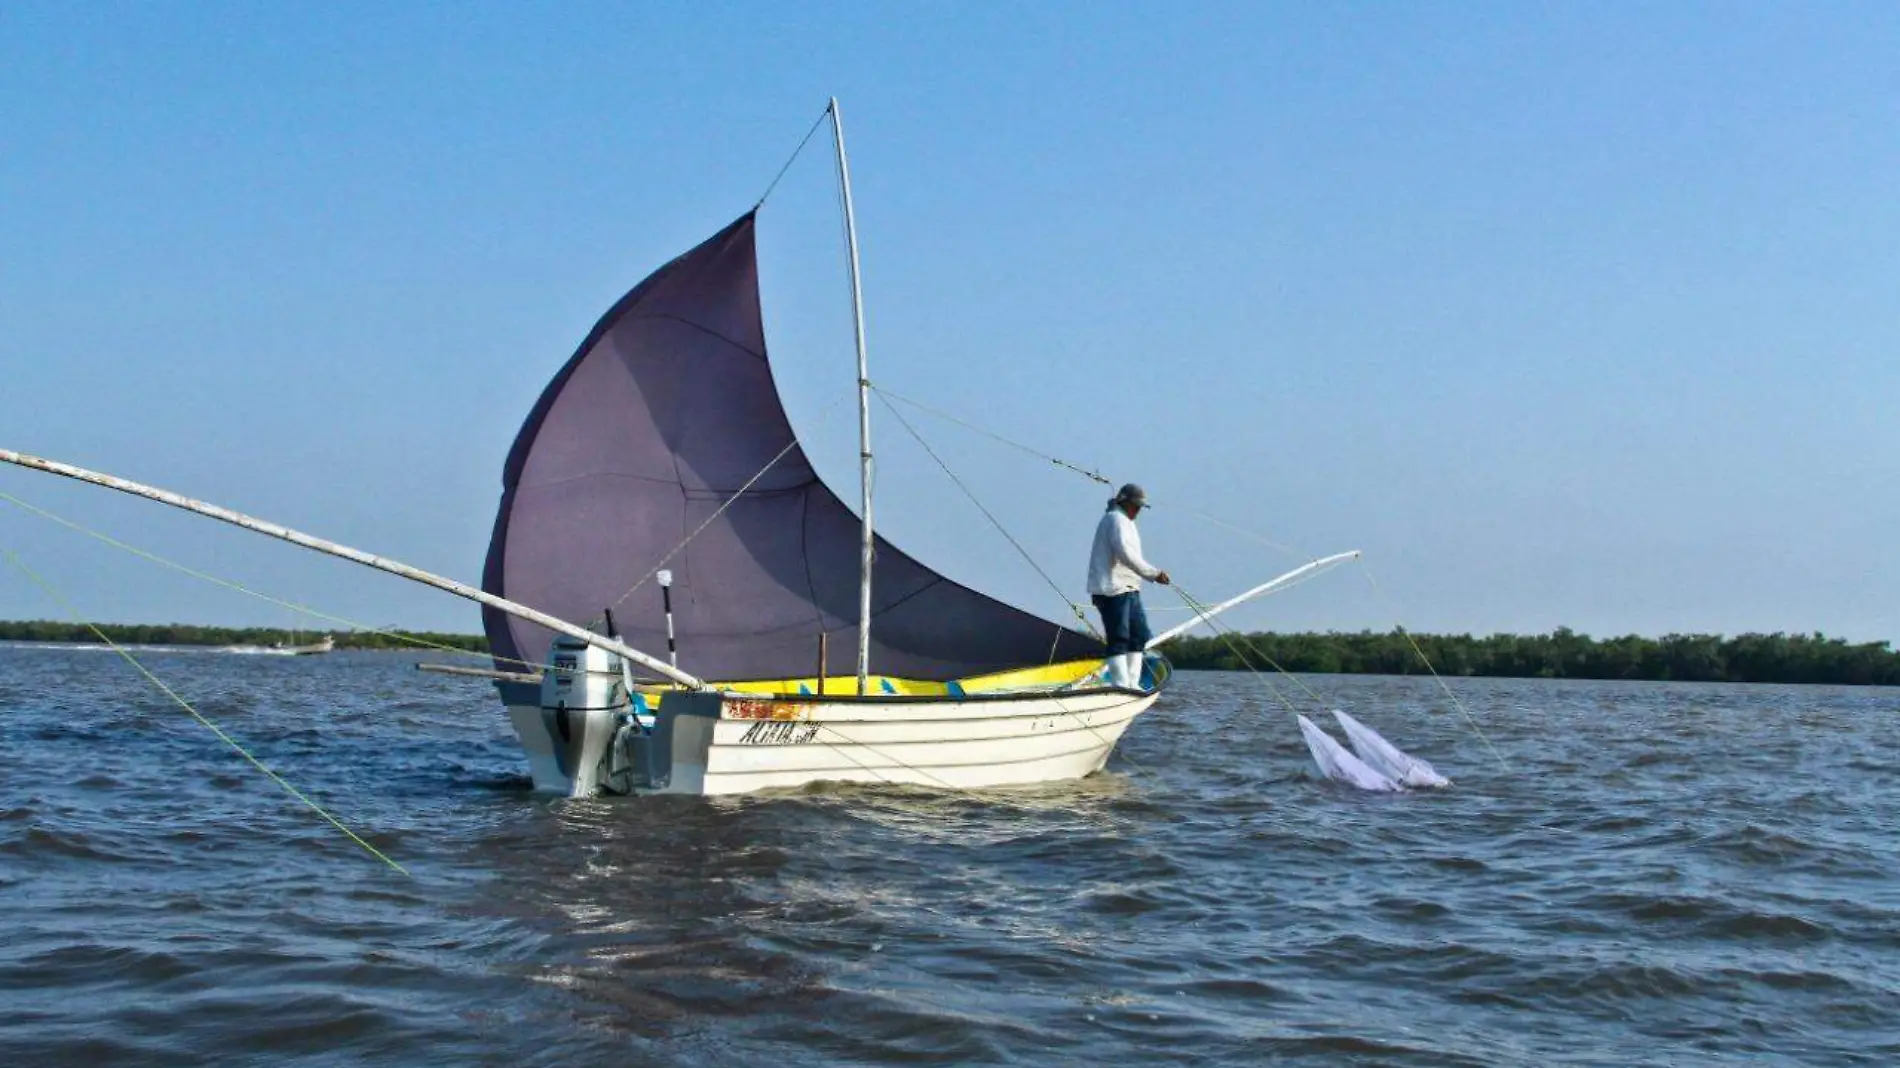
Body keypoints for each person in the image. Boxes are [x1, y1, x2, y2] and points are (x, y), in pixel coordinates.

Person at [1088, 483, 1170, 689]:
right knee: (1119, 637)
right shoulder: (1115, 520)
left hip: (1129, 588)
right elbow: (1125, 553)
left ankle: (1132, 683)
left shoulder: (1125, 521)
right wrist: (1154, 573)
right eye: (1135, 505)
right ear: (1124, 502)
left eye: (1140, 506)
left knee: (1139, 636)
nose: (1138, 510)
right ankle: (1121, 685)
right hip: (1112, 589)